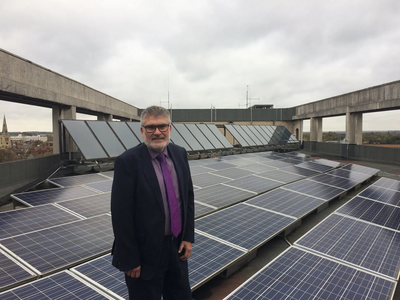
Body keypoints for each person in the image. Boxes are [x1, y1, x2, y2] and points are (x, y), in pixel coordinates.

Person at [111, 105, 194, 300]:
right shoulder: (127, 161)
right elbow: (121, 214)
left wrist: (188, 236)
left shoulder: (180, 154)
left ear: (170, 128)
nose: (157, 132)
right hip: (143, 256)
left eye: (162, 126)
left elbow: (188, 197)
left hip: (176, 249)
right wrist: (130, 259)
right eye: (150, 127)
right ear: (142, 131)